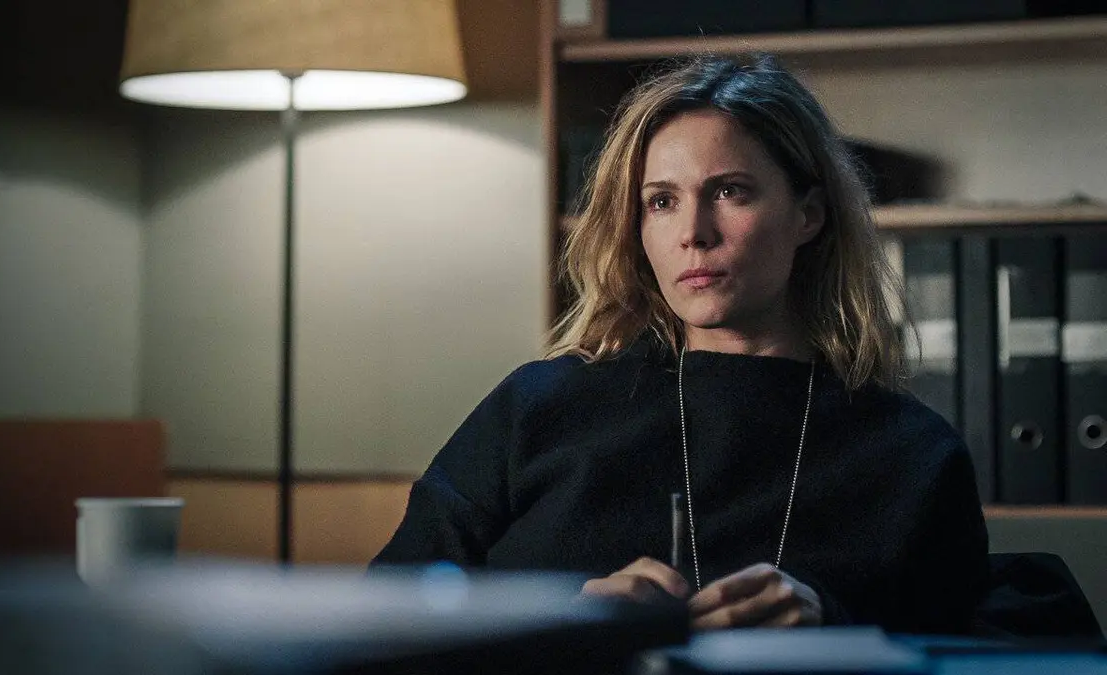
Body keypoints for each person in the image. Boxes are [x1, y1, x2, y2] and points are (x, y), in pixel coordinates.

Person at [373, 54, 989, 635]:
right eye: (662, 201)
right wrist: (563, 630)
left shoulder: (912, 453)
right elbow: (384, 620)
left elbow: (964, 646)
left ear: (808, 215)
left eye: (730, 192)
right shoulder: (535, 408)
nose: (693, 233)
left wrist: (833, 627)